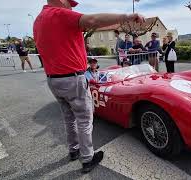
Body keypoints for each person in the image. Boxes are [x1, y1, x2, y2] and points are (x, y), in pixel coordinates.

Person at [33, 0, 145, 173]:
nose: (71, 7)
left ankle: (74, 150)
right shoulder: (60, 14)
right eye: (70, 3)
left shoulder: (39, 20)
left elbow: (92, 26)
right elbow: (92, 21)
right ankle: (87, 158)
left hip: (53, 79)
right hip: (72, 78)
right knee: (85, 119)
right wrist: (127, 16)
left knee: (69, 118)